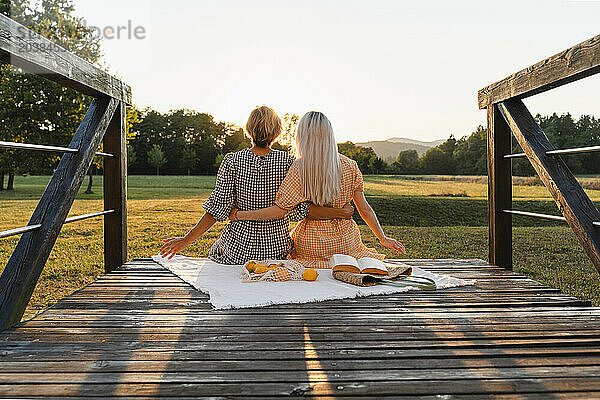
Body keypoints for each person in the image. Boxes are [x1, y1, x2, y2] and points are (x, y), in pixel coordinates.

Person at [160, 106, 352, 264]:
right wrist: (342, 212)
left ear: (248, 130)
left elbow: (216, 210)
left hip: (236, 252)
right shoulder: (290, 163)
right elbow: (304, 210)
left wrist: (186, 241)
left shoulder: (232, 161)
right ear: (277, 132)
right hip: (276, 253)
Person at [230, 111, 406, 268]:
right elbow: (364, 210)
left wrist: (239, 215)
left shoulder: (299, 168)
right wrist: (383, 238)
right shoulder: (350, 166)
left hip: (311, 246)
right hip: (346, 244)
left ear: (302, 136)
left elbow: (279, 211)